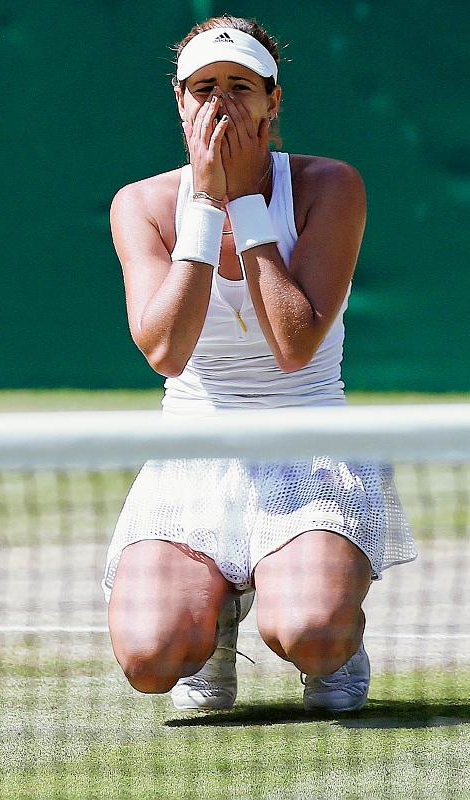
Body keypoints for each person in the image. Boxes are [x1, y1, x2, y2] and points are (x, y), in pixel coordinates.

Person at [104, 16, 416, 712]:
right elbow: (164, 350)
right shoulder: (143, 205)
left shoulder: (330, 185)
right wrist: (208, 204)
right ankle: (207, 622)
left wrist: (246, 199)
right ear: (179, 100)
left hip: (309, 445)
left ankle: (333, 645)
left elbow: (294, 344)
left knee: (307, 630)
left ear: (273, 102)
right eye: (204, 88)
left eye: (240, 87)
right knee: (152, 660)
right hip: (192, 453)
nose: (221, 105)